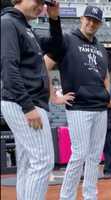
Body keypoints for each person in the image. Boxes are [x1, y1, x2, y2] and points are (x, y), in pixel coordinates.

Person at [1, 0, 72, 199]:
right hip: (24, 102)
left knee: (27, 163)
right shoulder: (8, 22)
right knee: (43, 161)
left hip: (26, 101)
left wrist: (54, 18)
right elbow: (9, 68)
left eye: (43, 2)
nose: (41, 6)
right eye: (37, 1)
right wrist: (27, 106)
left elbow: (57, 46)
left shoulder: (25, 27)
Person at [45, 5, 110, 200]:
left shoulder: (100, 48)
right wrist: (54, 96)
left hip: (100, 108)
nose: (91, 23)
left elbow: (105, 74)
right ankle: (67, 196)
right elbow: (43, 65)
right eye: (89, 19)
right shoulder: (66, 40)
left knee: (94, 157)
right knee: (80, 154)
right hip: (79, 107)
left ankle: (90, 195)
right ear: (81, 19)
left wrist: (106, 94)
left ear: (99, 24)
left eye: (96, 21)